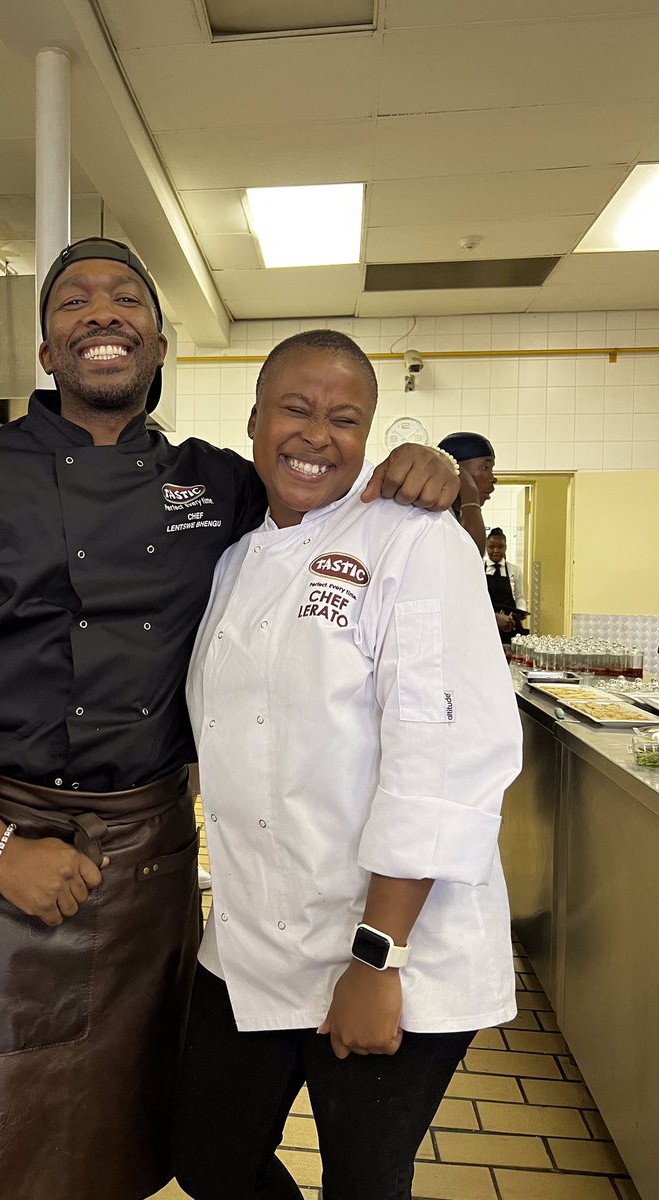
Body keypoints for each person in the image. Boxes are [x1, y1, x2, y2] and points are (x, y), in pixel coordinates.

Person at [0, 239, 463, 1200]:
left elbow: (324, 495)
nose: (102, 312)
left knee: (132, 1138)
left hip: (152, 864)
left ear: (160, 346)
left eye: (126, 298)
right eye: (74, 301)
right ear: (46, 351)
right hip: (2, 856)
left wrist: (422, 468)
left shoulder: (221, 483)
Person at [175, 330, 522, 1200]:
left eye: (345, 418)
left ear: (368, 437)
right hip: (257, 934)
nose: (316, 434)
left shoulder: (413, 539)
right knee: (208, 1158)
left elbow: (442, 757)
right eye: (295, 408)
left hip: (400, 948)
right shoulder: (229, 559)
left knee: (365, 1181)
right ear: (253, 419)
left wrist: (378, 961)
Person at [437, 430, 498, 556]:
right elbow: (471, 556)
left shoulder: (457, 514)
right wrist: (471, 496)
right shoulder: (431, 515)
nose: (493, 478)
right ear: (455, 468)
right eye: (485, 468)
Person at [485, 527, 528, 646]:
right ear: (486, 547)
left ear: (506, 547)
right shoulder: (479, 569)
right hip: (488, 623)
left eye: (500, 547)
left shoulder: (515, 570)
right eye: (492, 547)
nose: (496, 550)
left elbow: (519, 597)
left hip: (511, 624)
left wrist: (521, 612)